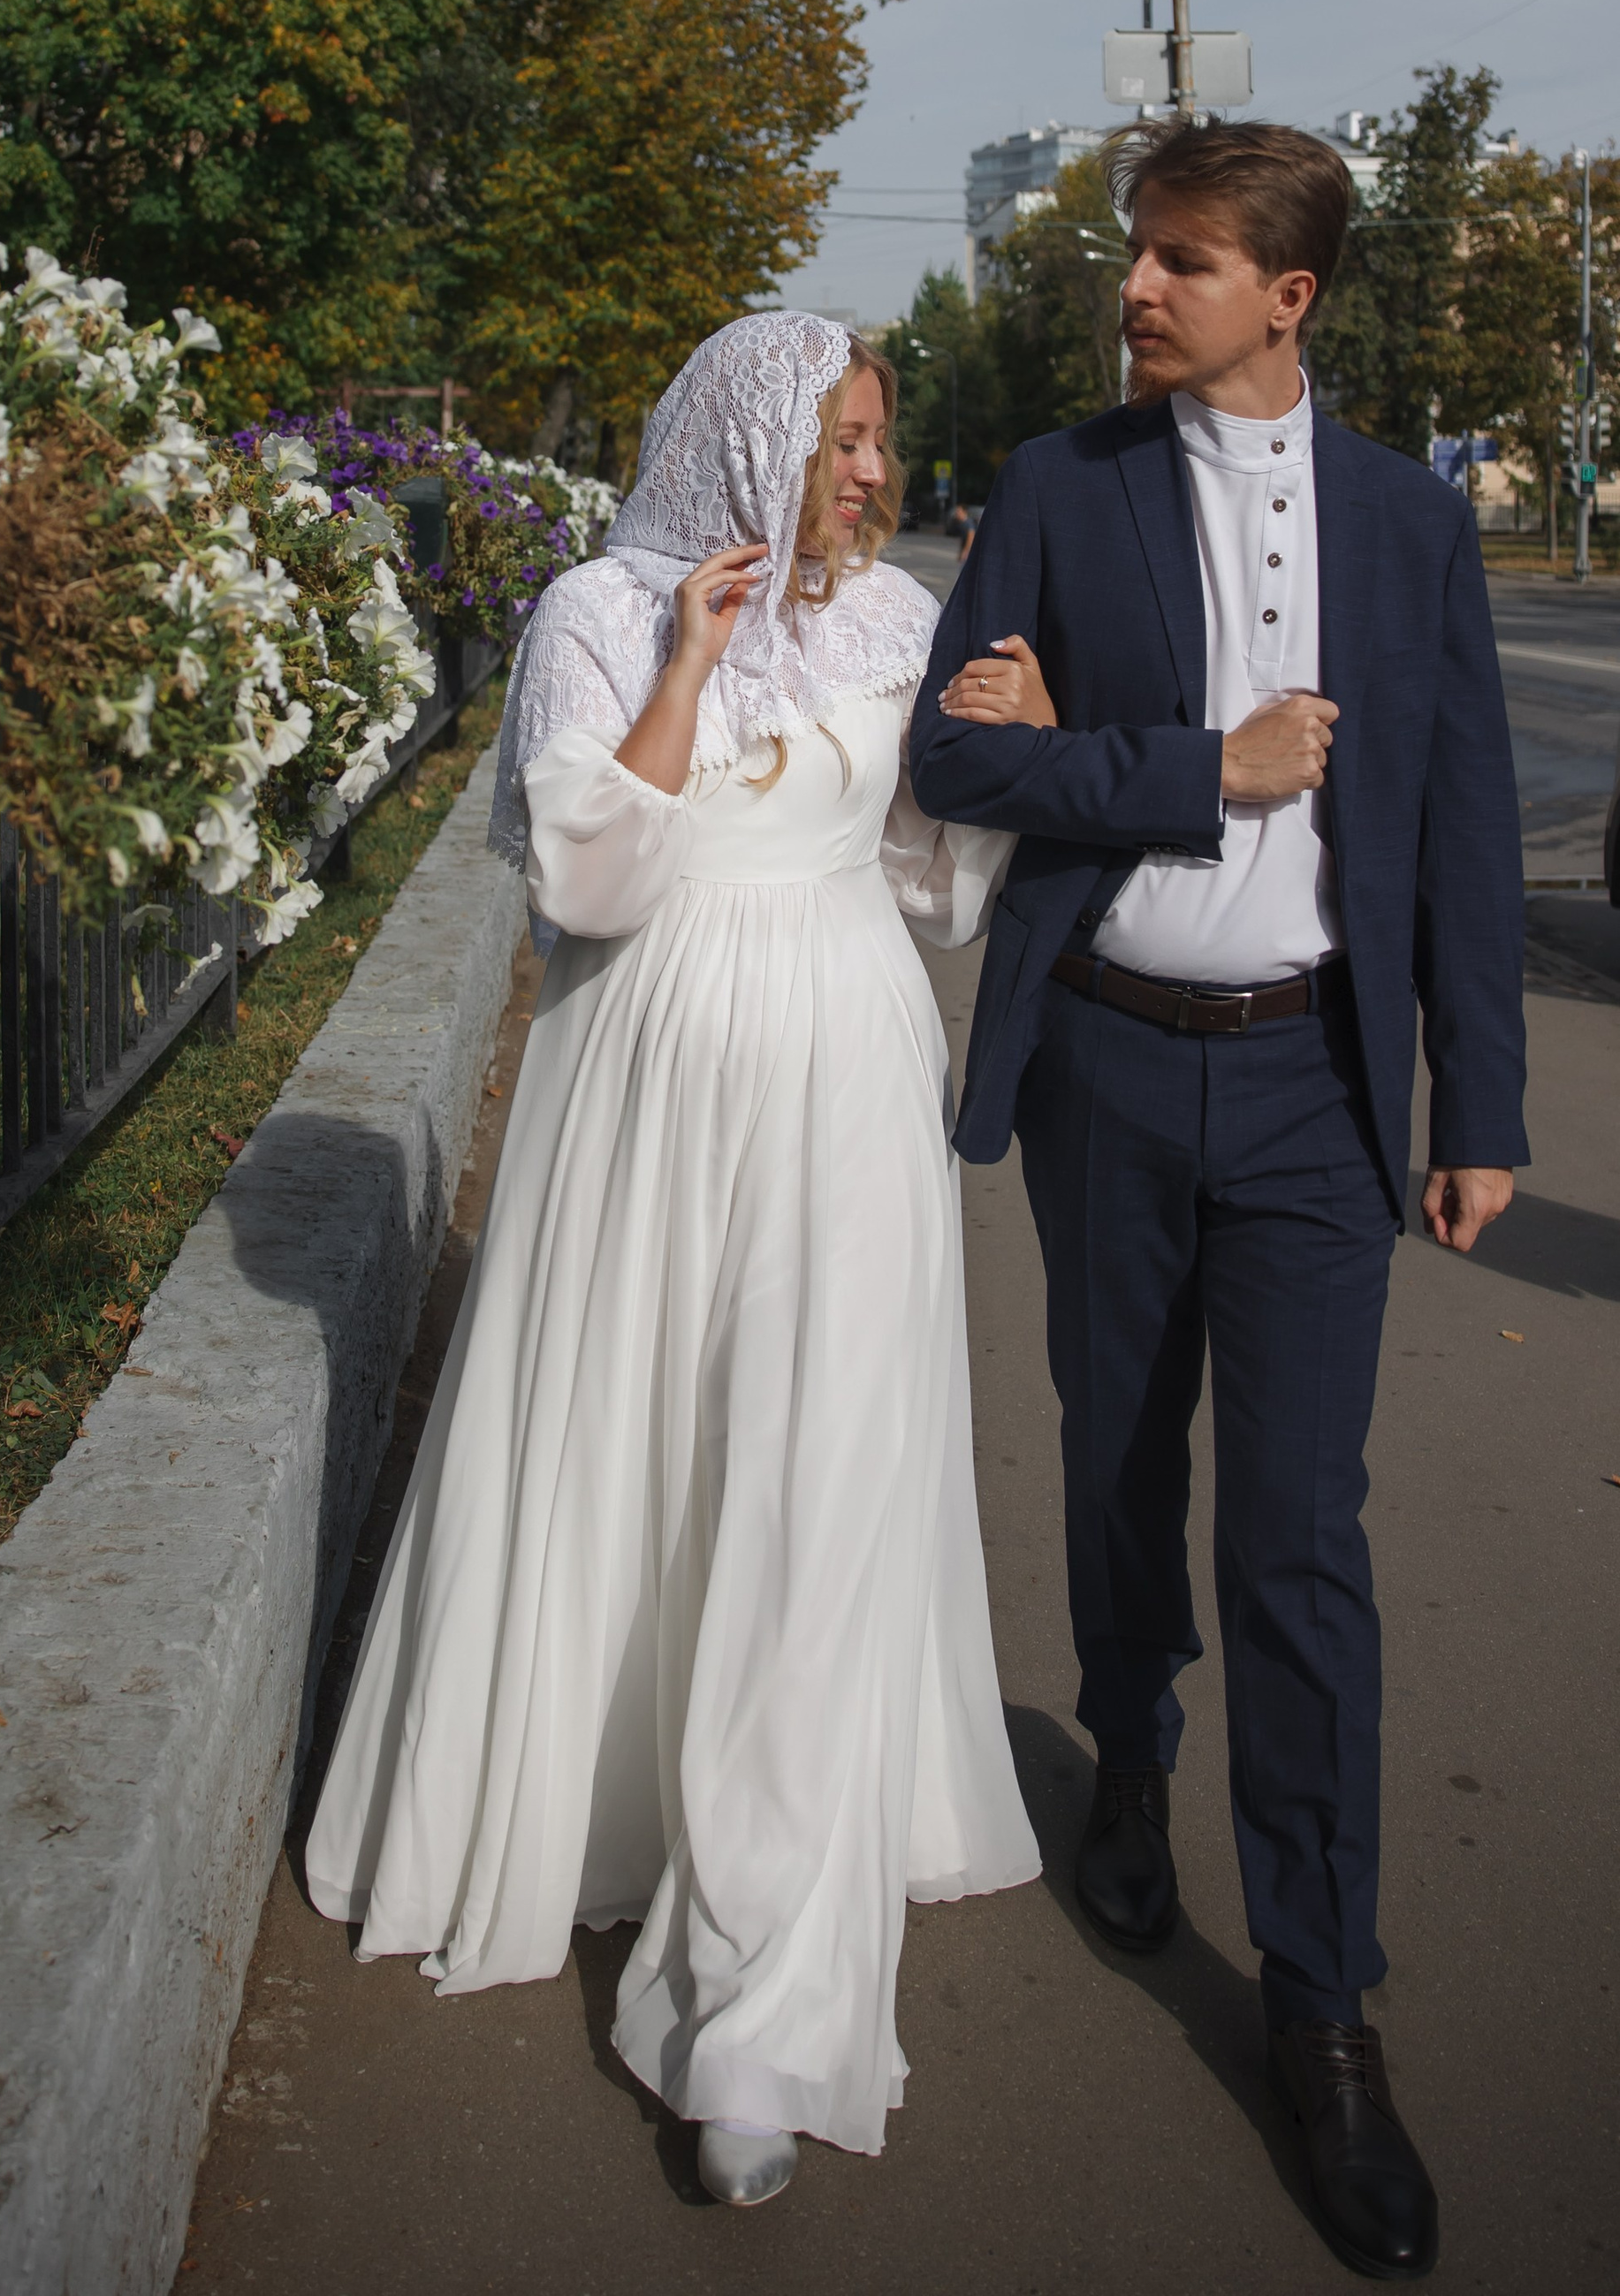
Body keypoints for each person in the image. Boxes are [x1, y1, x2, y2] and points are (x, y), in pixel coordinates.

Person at [306, 313, 1040, 2206]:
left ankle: (757, 2017)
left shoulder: (897, 625)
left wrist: (989, 771)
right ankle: (605, 1818)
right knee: (635, 1456)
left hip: (847, 1084)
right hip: (639, 1099)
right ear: (750, 442)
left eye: (880, 441)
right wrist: (685, 669)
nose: (873, 473)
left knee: (811, 1485)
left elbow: (920, 885)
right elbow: (587, 888)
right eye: (846, 440)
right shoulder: (594, 612)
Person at [911, 117, 1525, 2285]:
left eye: (1177, 263)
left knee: (1295, 1537)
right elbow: (952, 754)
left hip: (1309, 1095)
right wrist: (1192, 771)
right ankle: (1121, 1753)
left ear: (1287, 294)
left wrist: (1483, 1101)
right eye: (1132, 259)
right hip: (1098, 1064)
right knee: (1114, 1460)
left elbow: (1454, 814)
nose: (1133, 292)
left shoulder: (1404, 516)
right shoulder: (1060, 487)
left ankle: (1324, 2011)